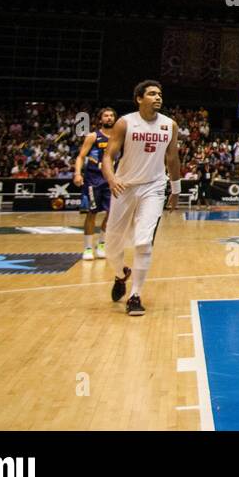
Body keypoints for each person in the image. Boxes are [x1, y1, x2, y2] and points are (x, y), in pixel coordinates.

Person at [102, 81, 181, 317]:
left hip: (154, 188)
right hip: (124, 186)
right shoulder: (125, 122)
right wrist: (112, 179)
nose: (158, 97)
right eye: (152, 94)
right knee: (112, 245)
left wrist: (175, 190)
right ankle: (120, 273)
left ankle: (135, 295)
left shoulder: (170, 125)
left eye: (160, 94)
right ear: (139, 98)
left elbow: (173, 159)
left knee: (143, 241)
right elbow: (108, 156)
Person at [72, 106, 116, 261]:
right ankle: (88, 248)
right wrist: (78, 173)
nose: (109, 118)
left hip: (111, 179)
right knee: (92, 213)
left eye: (111, 115)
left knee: (112, 214)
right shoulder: (93, 136)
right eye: (106, 115)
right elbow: (80, 156)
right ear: (101, 119)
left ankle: (101, 244)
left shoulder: (119, 137)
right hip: (93, 179)